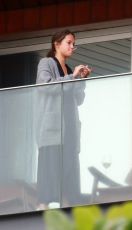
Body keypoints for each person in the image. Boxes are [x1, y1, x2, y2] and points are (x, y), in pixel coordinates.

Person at [36, 29, 91, 210]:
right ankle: (42, 209)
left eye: (74, 43)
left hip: (70, 130)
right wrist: (72, 76)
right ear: (56, 44)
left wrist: (81, 79)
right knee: (49, 171)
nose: (72, 46)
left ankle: (67, 211)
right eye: (69, 42)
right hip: (53, 129)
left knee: (69, 174)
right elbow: (45, 87)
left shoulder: (69, 69)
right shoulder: (46, 63)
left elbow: (79, 100)